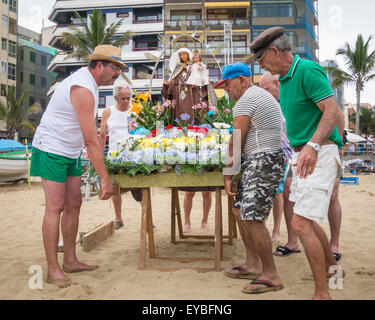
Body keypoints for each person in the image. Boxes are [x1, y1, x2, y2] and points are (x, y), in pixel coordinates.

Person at [250, 27, 344, 299]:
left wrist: (313, 147)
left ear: (275, 52)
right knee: (309, 222)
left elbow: (331, 110)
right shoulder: (285, 81)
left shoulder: (307, 70)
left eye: (262, 60)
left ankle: (321, 294)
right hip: (301, 155)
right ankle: (333, 268)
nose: (262, 67)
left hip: (320, 152)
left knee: (301, 224)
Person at [30, 45, 125, 288]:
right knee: (55, 206)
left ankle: (70, 259)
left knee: (75, 203)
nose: (117, 74)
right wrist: (104, 178)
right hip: (51, 147)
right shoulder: (82, 87)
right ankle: (53, 269)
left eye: (120, 69)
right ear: (100, 65)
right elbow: (91, 140)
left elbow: (90, 138)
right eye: (115, 68)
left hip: (70, 150)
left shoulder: (91, 86)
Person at [218, 62, 285, 294]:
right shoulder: (256, 95)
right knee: (240, 210)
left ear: (243, 80)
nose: (226, 88)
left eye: (228, 83)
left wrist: (228, 173)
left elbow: (236, 139)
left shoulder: (246, 100)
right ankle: (253, 263)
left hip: (263, 159)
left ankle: (271, 275)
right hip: (263, 158)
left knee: (253, 218)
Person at [163, 47, 212, 233]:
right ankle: (187, 221)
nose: (184, 58)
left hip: (197, 117)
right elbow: (167, 96)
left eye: (186, 55)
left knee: (207, 189)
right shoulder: (176, 74)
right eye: (181, 55)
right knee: (189, 188)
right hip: (180, 115)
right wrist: (167, 85)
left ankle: (205, 220)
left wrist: (199, 90)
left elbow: (206, 87)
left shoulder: (196, 69)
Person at [99, 83, 143, 230]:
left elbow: (144, 130)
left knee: (141, 187)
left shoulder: (135, 111)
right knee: (115, 189)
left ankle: (146, 216)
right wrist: (99, 155)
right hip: (114, 156)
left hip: (134, 155)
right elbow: (102, 134)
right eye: (123, 98)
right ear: (116, 98)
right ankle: (118, 218)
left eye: (128, 98)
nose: (126, 101)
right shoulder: (108, 112)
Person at [163, 47, 208, 122]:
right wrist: (168, 84)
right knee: (180, 112)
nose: (183, 56)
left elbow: (202, 76)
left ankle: (196, 128)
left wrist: (197, 84)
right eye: (181, 55)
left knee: (196, 110)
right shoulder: (178, 67)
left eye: (184, 54)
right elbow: (174, 81)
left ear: (188, 55)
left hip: (193, 93)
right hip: (180, 94)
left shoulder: (195, 64)